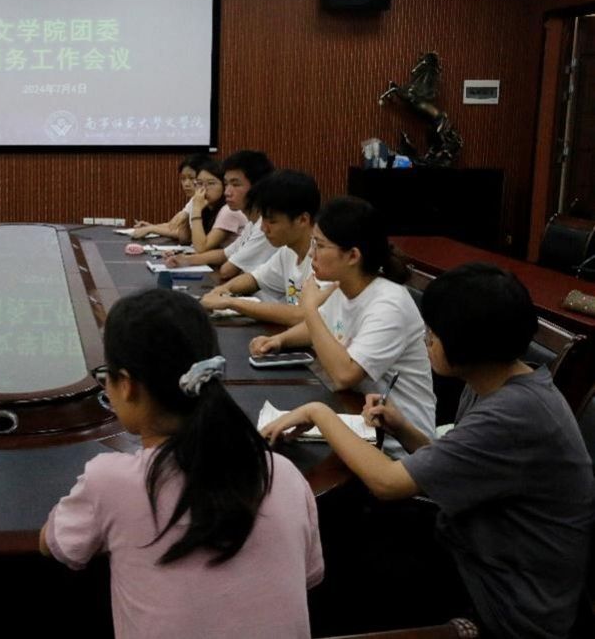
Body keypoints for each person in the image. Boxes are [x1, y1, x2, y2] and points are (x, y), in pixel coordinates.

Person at [261, 263, 595, 639]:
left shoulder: (514, 412)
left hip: (504, 603)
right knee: (340, 529)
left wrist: (319, 414)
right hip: (473, 553)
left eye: (433, 334)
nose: (426, 340)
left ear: (467, 345)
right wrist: (402, 428)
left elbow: (388, 483)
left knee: (335, 563)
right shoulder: (495, 380)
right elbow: (459, 465)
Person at [41, 289, 323, 639]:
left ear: (126, 385)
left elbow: (52, 543)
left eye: (106, 376)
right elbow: (308, 575)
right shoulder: (283, 474)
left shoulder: (110, 481)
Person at [250, 196, 435, 455]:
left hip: (398, 449)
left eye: (320, 245)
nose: (312, 253)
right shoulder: (342, 286)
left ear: (353, 256)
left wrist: (309, 309)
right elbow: (321, 327)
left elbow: (344, 375)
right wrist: (280, 340)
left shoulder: (389, 304)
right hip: (357, 421)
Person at [200, 170, 321, 325]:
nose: (263, 228)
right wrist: (222, 291)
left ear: (302, 220)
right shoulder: (288, 251)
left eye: (272, 221)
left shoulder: (324, 257)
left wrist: (231, 302)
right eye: (262, 220)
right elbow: (255, 279)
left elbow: (302, 316)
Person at [164, 149, 276, 281]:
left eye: (235, 184)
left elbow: (226, 270)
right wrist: (185, 260)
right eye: (226, 184)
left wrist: (195, 211)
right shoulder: (252, 223)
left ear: (258, 186)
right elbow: (225, 253)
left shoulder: (265, 227)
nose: (227, 192)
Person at [130, 153, 208, 242]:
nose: (186, 184)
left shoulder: (207, 202)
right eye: (183, 179)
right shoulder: (194, 200)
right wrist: (151, 226)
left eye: (191, 178)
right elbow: (173, 225)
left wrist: (152, 229)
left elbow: (184, 235)